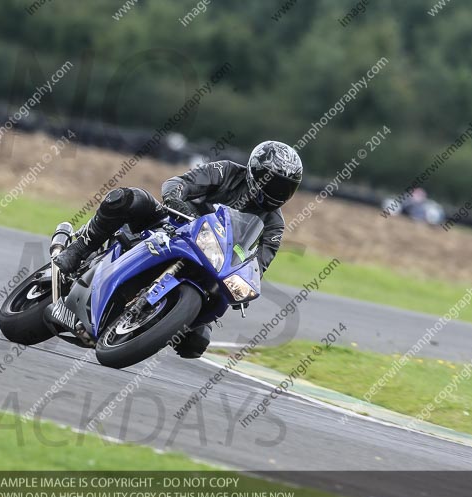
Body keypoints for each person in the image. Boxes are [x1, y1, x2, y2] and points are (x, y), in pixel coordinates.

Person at [54, 140, 303, 358]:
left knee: (195, 345)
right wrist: (176, 199)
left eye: (285, 188)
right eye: (273, 183)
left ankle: (154, 323)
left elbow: (259, 263)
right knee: (127, 199)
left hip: (213, 264)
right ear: (256, 172)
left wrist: (247, 282)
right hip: (174, 225)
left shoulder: (274, 224)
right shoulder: (227, 171)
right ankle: (77, 250)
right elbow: (182, 182)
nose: (276, 192)